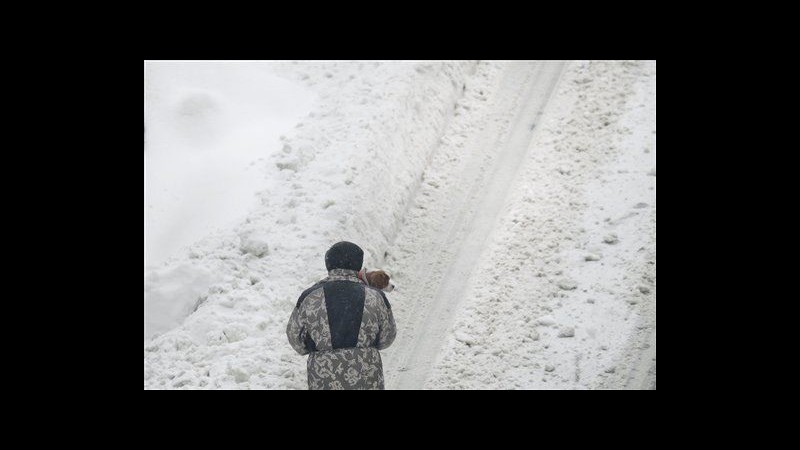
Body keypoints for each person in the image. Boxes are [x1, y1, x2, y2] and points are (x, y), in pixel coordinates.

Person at [286, 241, 396, 389]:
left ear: (328, 264)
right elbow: (387, 337)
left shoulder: (309, 297)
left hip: (323, 378)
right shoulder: (376, 296)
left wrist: (317, 347)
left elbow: (295, 338)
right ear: (357, 265)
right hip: (366, 378)